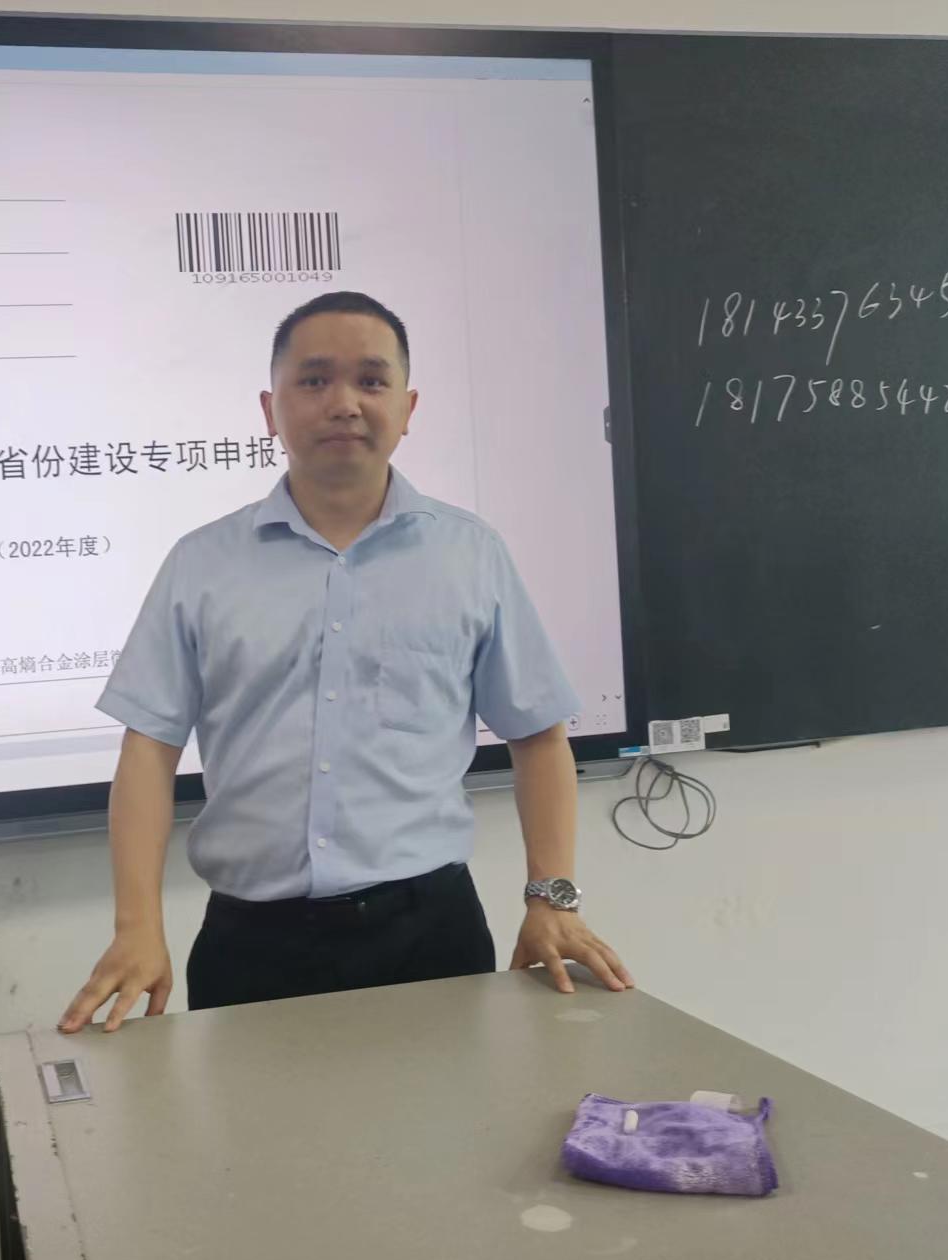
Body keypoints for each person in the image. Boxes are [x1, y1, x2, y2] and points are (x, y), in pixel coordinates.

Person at [59, 291, 632, 1034]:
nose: (344, 403)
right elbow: (148, 751)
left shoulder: (470, 556)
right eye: (314, 380)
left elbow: (539, 737)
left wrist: (551, 898)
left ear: (407, 406)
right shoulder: (201, 565)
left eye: (370, 380)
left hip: (430, 933)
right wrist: (137, 926)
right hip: (251, 942)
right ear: (270, 409)